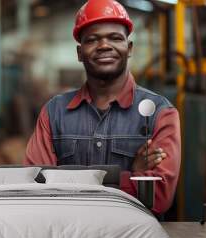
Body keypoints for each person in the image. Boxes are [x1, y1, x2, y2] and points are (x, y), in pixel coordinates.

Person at [23, 0, 181, 215]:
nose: (104, 45)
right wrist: (130, 175)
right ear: (80, 53)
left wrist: (67, 182)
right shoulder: (54, 113)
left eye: (115, 38)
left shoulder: (161, 113)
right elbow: (35, 185)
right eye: (93, 39)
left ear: (129, 48)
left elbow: (159, 196)